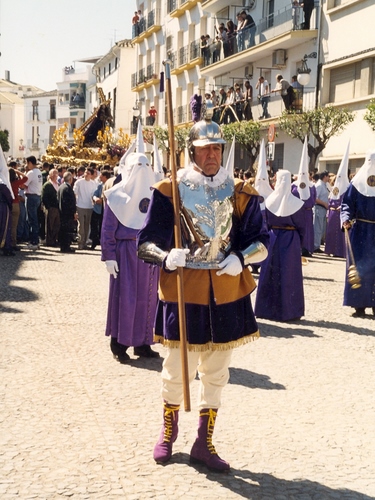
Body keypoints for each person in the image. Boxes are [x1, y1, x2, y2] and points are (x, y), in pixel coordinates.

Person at [137, 109, 269, 472]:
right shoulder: (170, 191)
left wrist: (242, 258)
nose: (211, 155)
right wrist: (167, 257)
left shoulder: (240, 192)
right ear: (191, 152)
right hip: (185, 290)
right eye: (204, 149)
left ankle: (204, 442)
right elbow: (144, 243)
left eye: (216, 148)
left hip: (226, 292)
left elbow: (262, 240)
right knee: (175, 370)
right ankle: (168, 433)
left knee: (217, 371)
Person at [102, 152, 160, 362]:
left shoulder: (156, 196)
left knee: (148, 300)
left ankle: (144, 343)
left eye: (146, 165)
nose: (142, 169)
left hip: (149, 255)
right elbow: (108, 229)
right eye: (138, 165)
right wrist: (109, 256)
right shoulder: (116, 196)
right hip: (125, 254)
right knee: (126, 300)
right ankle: (120, 344)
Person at [255, 169, 305, 321]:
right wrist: (300, 242)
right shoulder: (296, 202)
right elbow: (301, 225)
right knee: (289, 275)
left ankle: (266, 309)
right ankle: (289, 311)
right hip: (290, 239)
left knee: (270, 273)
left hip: (273, 237)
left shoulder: (270, 200)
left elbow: (267, 223)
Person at [340, 150, 375, 318]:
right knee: (360, 267)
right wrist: (345, 219)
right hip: (361, 231)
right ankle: (359, 305)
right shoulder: (355, 184)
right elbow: (347, 204)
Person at [291, 138, 317, 257]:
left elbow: (314, 198)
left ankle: (307, 248)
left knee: (308, 231)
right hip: (297, 212)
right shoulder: (293, 186)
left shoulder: (312, 187)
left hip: (307, 212)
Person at [325, 143, 350, 258]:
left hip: (340, 214)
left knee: (340, 234)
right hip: (332, 213)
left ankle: (340, 252)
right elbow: (330, 199)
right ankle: (331, 250)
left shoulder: (348, 188)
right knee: (331, 233)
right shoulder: (334, 188)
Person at [22, 155, 43, 250]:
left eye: (27, 163)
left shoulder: (31, 172)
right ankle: (34, 240)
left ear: (30, 163)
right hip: (37, 196)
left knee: (31, 220)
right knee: (34, 219)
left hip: (31, 197)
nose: (27, 165)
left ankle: (34, 241)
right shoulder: (38, 172)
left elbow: (23, 185)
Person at [73, 167, 96, 250]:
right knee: (81, 226)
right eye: (85, 172)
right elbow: (74, 192)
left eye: (88, 173)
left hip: (89, 206)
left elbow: (94, 194)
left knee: (87, 226)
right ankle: (80, 242)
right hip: (80, 206)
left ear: (91, 175)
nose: (86, 174)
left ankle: (85, 242)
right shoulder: (79, 182)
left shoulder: (93, 183)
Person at [90, 169, 111, 250]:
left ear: (105, 177)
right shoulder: (99, 185)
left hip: (105, 210)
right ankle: (94, 242)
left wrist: (102, 200)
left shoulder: (110, 185)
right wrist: (95, 199)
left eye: (101, 175)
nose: (99, 176)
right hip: (98, 209)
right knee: (94, 226)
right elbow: (95, 194)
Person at [8, 164, 27, 251]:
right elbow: (25, 178)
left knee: (7, 225)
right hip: (15, 204)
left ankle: (7, 242)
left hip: (8, 204)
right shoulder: (16, 183)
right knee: (14, 226)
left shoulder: (7, 183)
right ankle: (13, 243)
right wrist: (18, 172)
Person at [57, 171, 77, 253]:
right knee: (67, 230)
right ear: (70, 179)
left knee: (63, 230)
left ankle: (63, 246)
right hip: (67, 213)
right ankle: (66, 246)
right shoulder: (67, 188)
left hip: (62, 212)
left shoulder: (61, 187)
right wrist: (73, 212)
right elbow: (70, 202)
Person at [0, 148, 14, 256]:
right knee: (5, 229)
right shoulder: (2, 183)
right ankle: (6, 247)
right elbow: (8, 197)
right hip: (3, 207)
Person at [41, 168, 60, 247]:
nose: (56, 176)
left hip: (57, 207)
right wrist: (48, 206)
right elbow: (44, 196)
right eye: (55, 174)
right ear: (51, 175)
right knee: (50, 225)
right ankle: (49, 241)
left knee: (56, 225)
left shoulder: (57, 184)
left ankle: (54, 239)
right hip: (51, 207)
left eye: (57, 174)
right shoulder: (48, 185)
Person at [313, 170, 330, 253]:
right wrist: (324, 203)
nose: (329, 178)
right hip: (319, 208)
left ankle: (317, 244)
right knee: (318, 228)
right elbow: (315, 198)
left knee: (321, 228)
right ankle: (315, 246)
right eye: (328, 176)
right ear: (324, 176)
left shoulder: (324, 185)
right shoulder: (319, 185)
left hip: (323, 209)